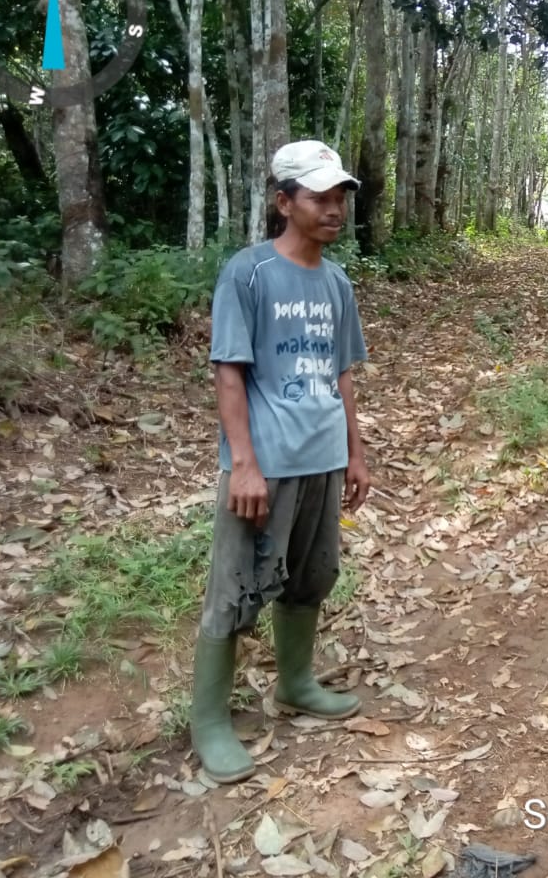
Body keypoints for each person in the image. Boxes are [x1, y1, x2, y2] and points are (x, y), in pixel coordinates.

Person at [190, 140, 372, 783]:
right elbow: (229, 373)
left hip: (323, 457)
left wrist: (355, 453)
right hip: (266, 462)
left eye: (339, 197)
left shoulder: (337, 282)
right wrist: (243, 464)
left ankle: (295, 682)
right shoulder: (249, 273)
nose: (333, 209)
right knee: (236, 586)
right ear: (284, 202)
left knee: (312, 576)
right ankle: (210, 720)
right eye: (319, 197)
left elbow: (341, 374)